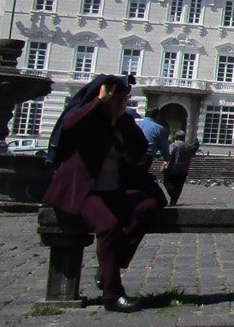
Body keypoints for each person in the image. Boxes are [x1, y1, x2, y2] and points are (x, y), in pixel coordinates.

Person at [41, 75, 164, 311]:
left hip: (113, 188)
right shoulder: (85, 119)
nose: (123, 103)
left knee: (147, 206)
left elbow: (139, 147)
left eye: (124, 99)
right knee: (108, 226)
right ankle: (112, 294)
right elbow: (69, 125)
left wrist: (123, 121)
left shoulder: (121, 122)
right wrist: (98, 103)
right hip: (84, 191)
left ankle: (111, 264)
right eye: (118, 99)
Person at [163, 130, 195, 205]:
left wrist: (164, 165)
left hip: (172, 168)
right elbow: (189, 158)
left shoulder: (173, 145)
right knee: (179, 186)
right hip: (183, 169)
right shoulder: (187, 146)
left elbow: (169, 156)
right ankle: (174, 200)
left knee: (167, 182)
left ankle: (173, 196)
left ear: (175, 136)